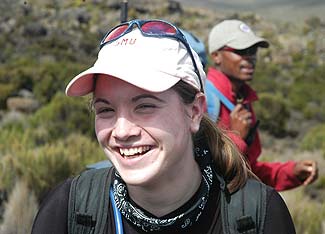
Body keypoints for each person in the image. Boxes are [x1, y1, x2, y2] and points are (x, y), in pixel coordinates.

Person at [32, 19, 296, 234]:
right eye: (106, 109)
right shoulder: (69, 208)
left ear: (194, 111)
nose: (122, 131)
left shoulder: (257, 214)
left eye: (145, 106)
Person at [206, 19, 318, 191]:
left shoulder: (242, 102)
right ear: (216, 56)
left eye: (253, 51)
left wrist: (291, 172)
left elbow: (250, 171)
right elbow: (203, 174)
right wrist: (237, 138)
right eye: (241, 51)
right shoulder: (203, 101)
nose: (250, 57)